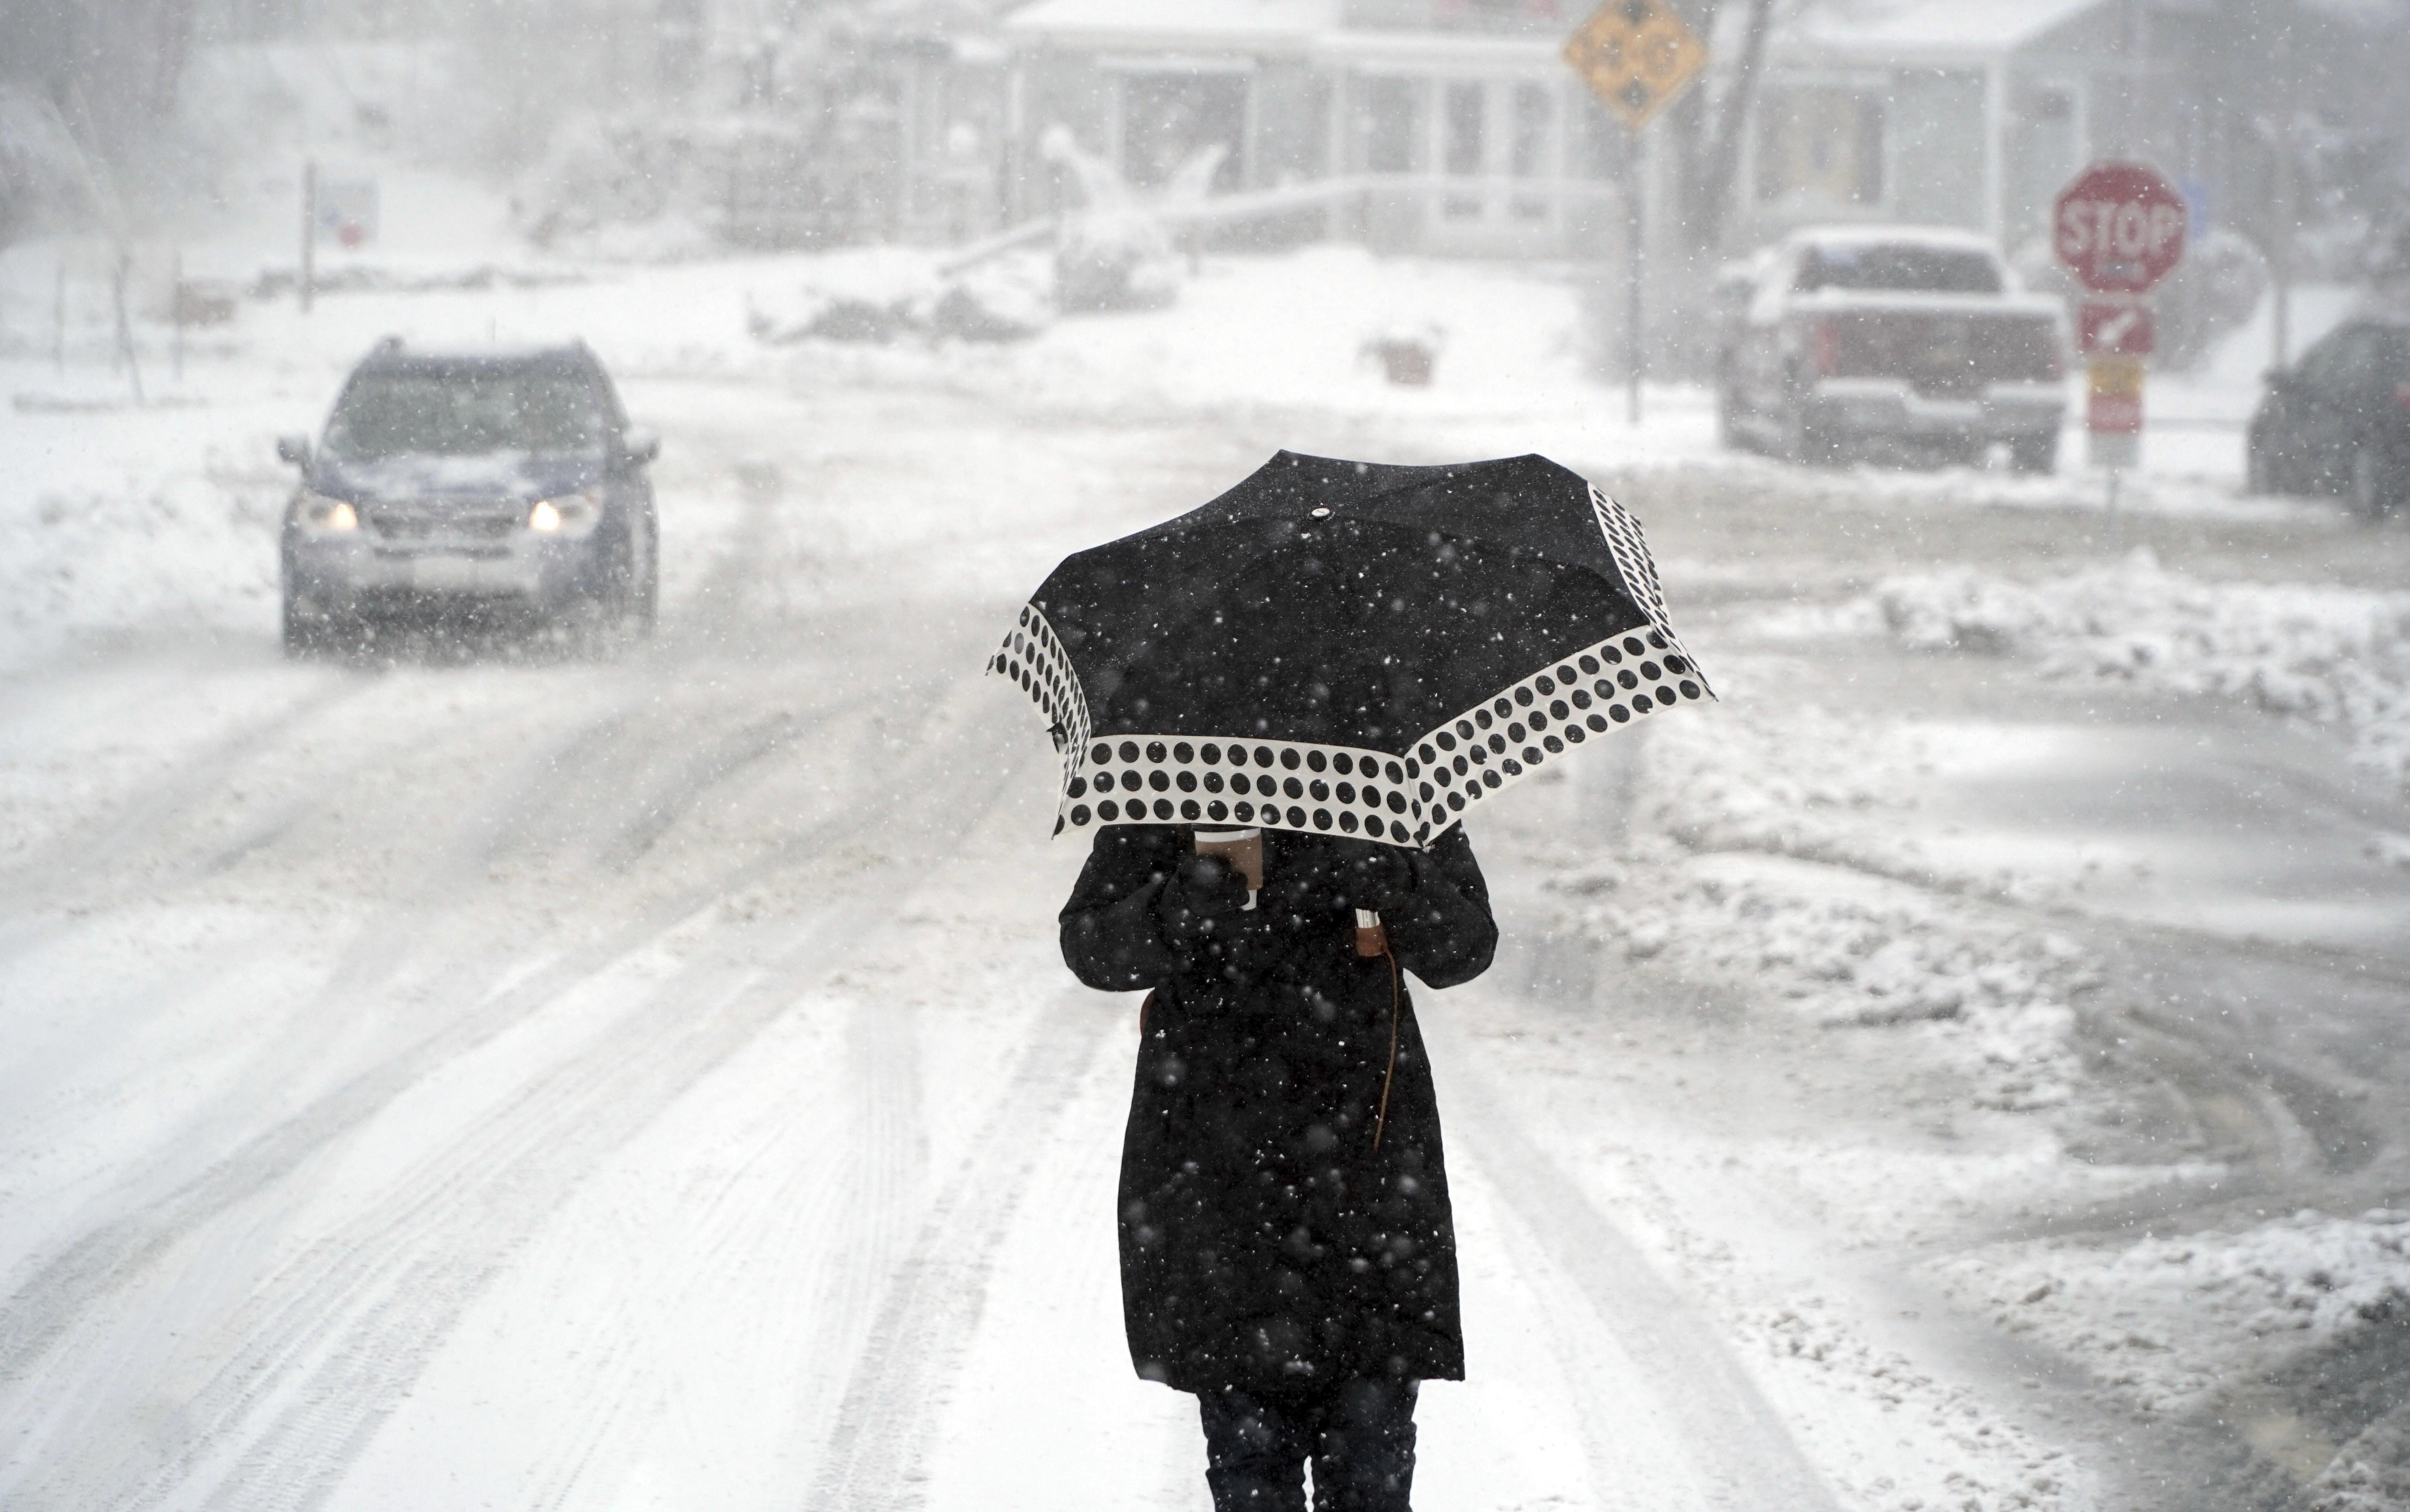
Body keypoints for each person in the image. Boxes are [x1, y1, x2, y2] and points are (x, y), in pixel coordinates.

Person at [1059, 823, 1498, 1512]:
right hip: (1221, 1182)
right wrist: (1180, 903)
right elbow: (1092, 948)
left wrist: (1391, 876)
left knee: (1371, 1474)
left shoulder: (1382, 784)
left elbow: (1466, 946)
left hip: (1370, 1181)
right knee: (1250, 1473)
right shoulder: (1180, 772)